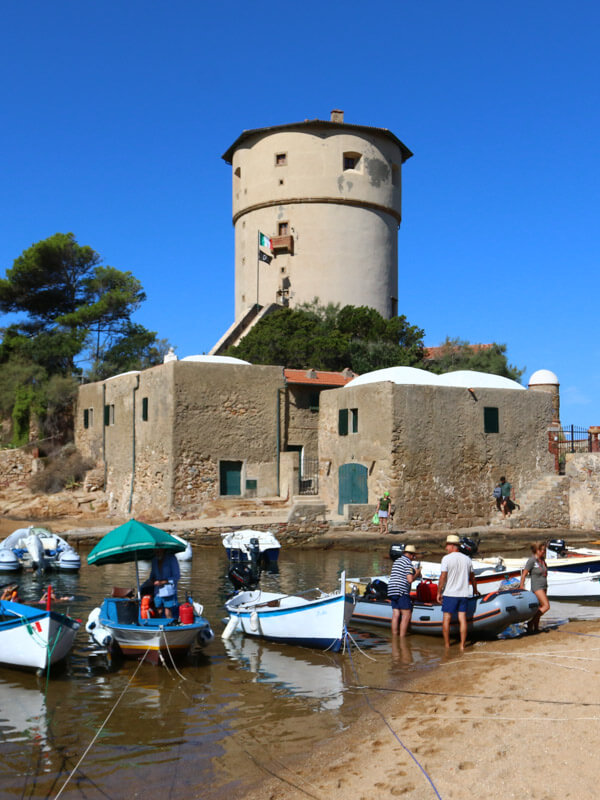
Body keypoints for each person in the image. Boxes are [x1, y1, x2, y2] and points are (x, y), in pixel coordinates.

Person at [436, 534, 478, 650]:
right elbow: (472, 577)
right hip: (463, 594)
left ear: (452, 546)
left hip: (450, 594)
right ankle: (462, 646)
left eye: (447, 545)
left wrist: (439, 592)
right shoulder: (467, 559)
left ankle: (447, 645)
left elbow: (443, 577)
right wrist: (475, 589)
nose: (446, 548)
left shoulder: (446, 559)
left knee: (446, 619)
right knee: (462, 619)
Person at [388, 544, 421, 636]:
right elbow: (410, 580)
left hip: (391, 589)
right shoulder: (408, 563)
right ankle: (402, 638)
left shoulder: (397, 561)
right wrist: (417, 573)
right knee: (406, 614)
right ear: (412, 555)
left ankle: (395, 637)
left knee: (396, 614)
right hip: (401, 590)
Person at [519, 541, 550, 633]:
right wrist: (521, 586)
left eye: (545, 550)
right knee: (546, 606)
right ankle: (530, 622)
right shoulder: (532, 560)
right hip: (537, 587)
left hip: (544, 585)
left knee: (539, 607)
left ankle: (535, 628)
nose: (544, 552)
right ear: (537, 550)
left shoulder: (542, 560)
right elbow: (524, 574)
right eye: (543, 550)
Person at [149, 548, 180, 618]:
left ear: (164, 549)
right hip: (157, 592)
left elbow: (176, 577)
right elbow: (152, 576)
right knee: (158, 611)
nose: (157, 551)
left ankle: (171, 626)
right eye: (155, 550)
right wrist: (152, 580)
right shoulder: (154, 560)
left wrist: (162, 582)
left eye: (159, 550)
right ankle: (159, 626)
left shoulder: (172, 559)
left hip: (168, 591)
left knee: (167, 611)